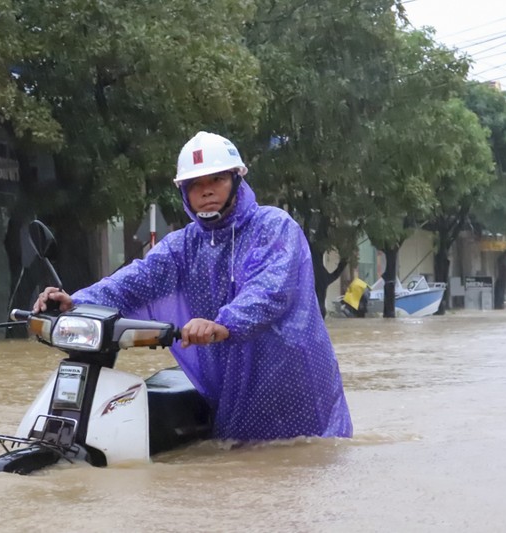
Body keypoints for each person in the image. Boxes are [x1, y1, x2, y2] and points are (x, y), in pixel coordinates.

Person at [34, 131, 353, 442]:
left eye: (217, 180)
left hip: (292, 380)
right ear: (184, 193)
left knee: (299, 462)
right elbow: (133, 281)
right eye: (195, 185)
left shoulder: (274, 227)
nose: (207, 191)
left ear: (237, 181)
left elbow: (270, 292)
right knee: (235, 470)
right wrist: (74, 302)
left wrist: (222, 323)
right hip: (232, 388)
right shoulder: (184, 246)